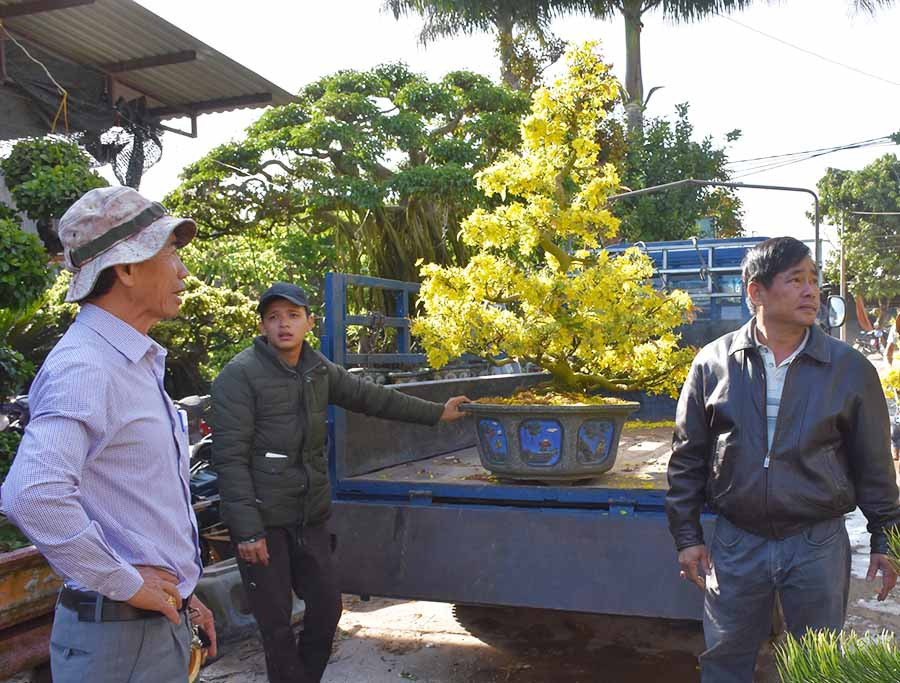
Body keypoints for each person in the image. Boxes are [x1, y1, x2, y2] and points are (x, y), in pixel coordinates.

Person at [1, 186, 217, 682]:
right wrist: (128, 583)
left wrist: (185, 595)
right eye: (171, 252)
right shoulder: (86, 366)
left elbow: (133, 508)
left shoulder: (129, 360)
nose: (184, 271)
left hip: (142, 627)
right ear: (127, 269)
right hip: (120, 637)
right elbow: (31, 495)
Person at [665, 237, 900, 683]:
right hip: (737, 541)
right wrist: (687, 536)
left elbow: (875, 464)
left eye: (814, 280)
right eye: (795, 280)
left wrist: (885, 540)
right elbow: (687, 456)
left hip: (817, 543)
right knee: (724, 659)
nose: (811, 291)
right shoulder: (714, 364)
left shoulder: (849, 369)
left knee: (816, 664)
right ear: (757, 292)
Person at [211, 282, 470, 683]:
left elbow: (373, 398)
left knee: (327, 609)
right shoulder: (239, 375)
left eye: (293, 316)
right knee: (276, 627)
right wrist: (247, 532)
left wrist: (437, 413)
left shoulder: (317, 369)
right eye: (274, 318)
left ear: (309, 322)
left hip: (309, 516)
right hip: (264, 523)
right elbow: (229, 459)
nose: (284, 325)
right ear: (262, 326)